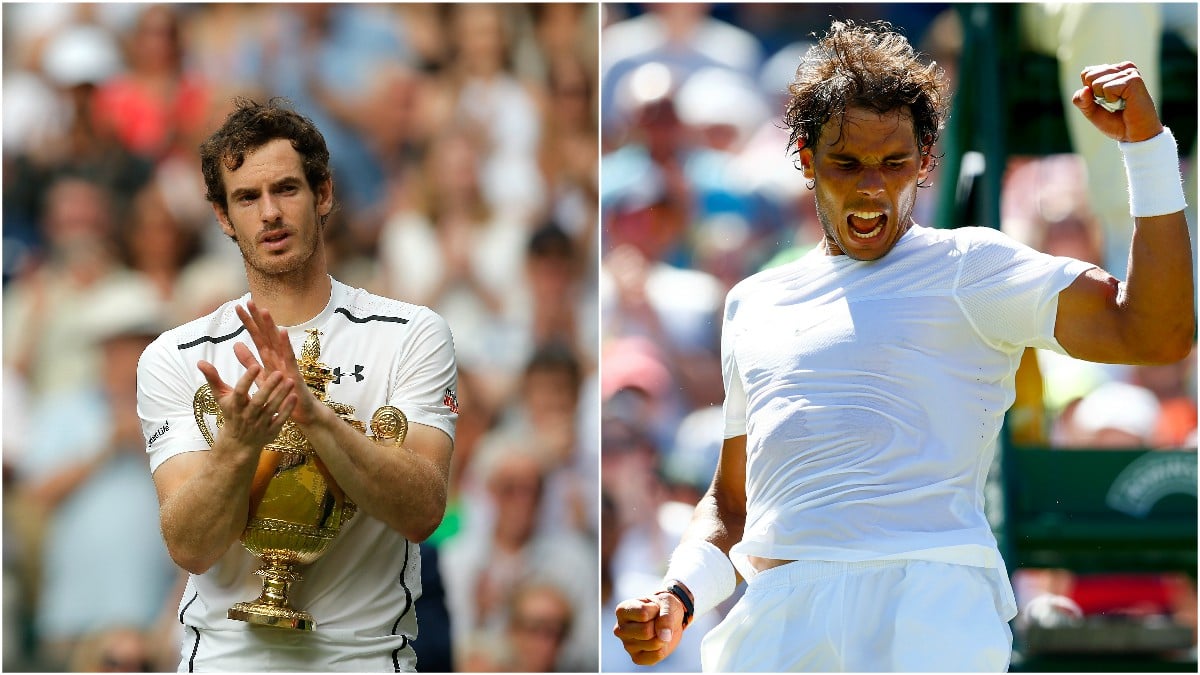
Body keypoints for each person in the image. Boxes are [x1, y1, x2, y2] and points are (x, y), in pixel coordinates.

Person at [613, 20, 1193, 672]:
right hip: (775, 627)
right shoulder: (753, 302)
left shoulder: (975, 268)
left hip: (930, 617)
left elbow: (1157, 331)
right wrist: (680, 591)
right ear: (805, 159)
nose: (870, 187)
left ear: (923, 162)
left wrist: (1146, 148)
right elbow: (735, 503)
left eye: (893, 164)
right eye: (846, 163)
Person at [136, 98, 458, 671]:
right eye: (247, 197)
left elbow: (423, 511)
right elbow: (192, 547)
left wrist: (316, 416)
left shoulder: (412, 334)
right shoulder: (174, 356)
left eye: (286, 189)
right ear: (221, 216)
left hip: (365, 660)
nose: (269, 214)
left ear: (324, 194)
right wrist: (237, 447)